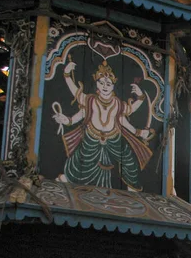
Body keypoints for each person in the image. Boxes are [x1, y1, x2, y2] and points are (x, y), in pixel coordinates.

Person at [52, 59, 154, 190]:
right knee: (79, 160)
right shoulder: (89, 100)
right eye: (101, 83)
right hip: (91, 137)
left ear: (113, 86)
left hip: (114, 138)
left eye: (109, 83)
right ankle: (68, 178)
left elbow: (129, 113)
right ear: (97, 84)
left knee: (129, 159)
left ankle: (132, 185)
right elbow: (76, 106)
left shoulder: (117, 104)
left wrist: (140, 99)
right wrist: (66, 120)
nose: (105, 86)